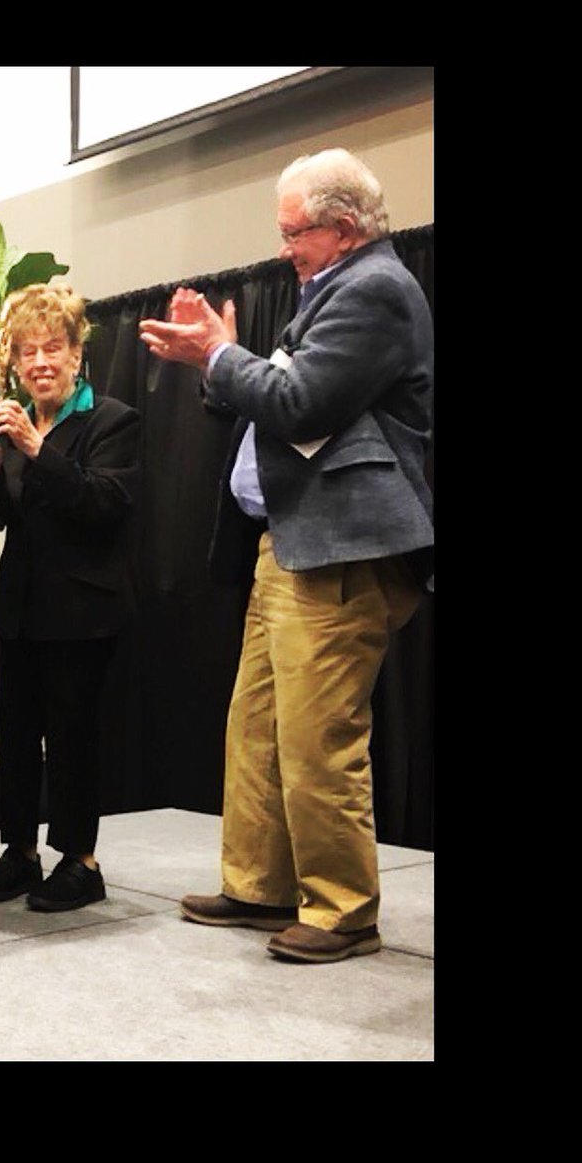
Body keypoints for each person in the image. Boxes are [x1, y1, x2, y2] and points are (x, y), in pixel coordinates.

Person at [139, 148, 433, 964]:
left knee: (318, 736)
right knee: (260, 725)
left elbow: (301, 400)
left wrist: (220, 359)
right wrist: (224, 360)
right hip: (292, 543)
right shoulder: (331, 289)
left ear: (342, 229)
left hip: (341, 548)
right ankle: (260, 883)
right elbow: (277, 398)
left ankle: (342, 909)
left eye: (292, 230)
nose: (283, 248)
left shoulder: (374, 289)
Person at [0, 283, 139, 912]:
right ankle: (20, 852)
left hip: (82, 611)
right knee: (14, 734)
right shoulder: (16, 425)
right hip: (20, 609)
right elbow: (6, 515)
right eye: (27, 351)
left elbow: (103, 505)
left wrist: (37, 451)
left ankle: (79, 861)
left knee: (72, 738)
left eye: (53, 348)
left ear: (76, 352)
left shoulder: (112, 420)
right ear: (13, 362)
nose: (40, 362)